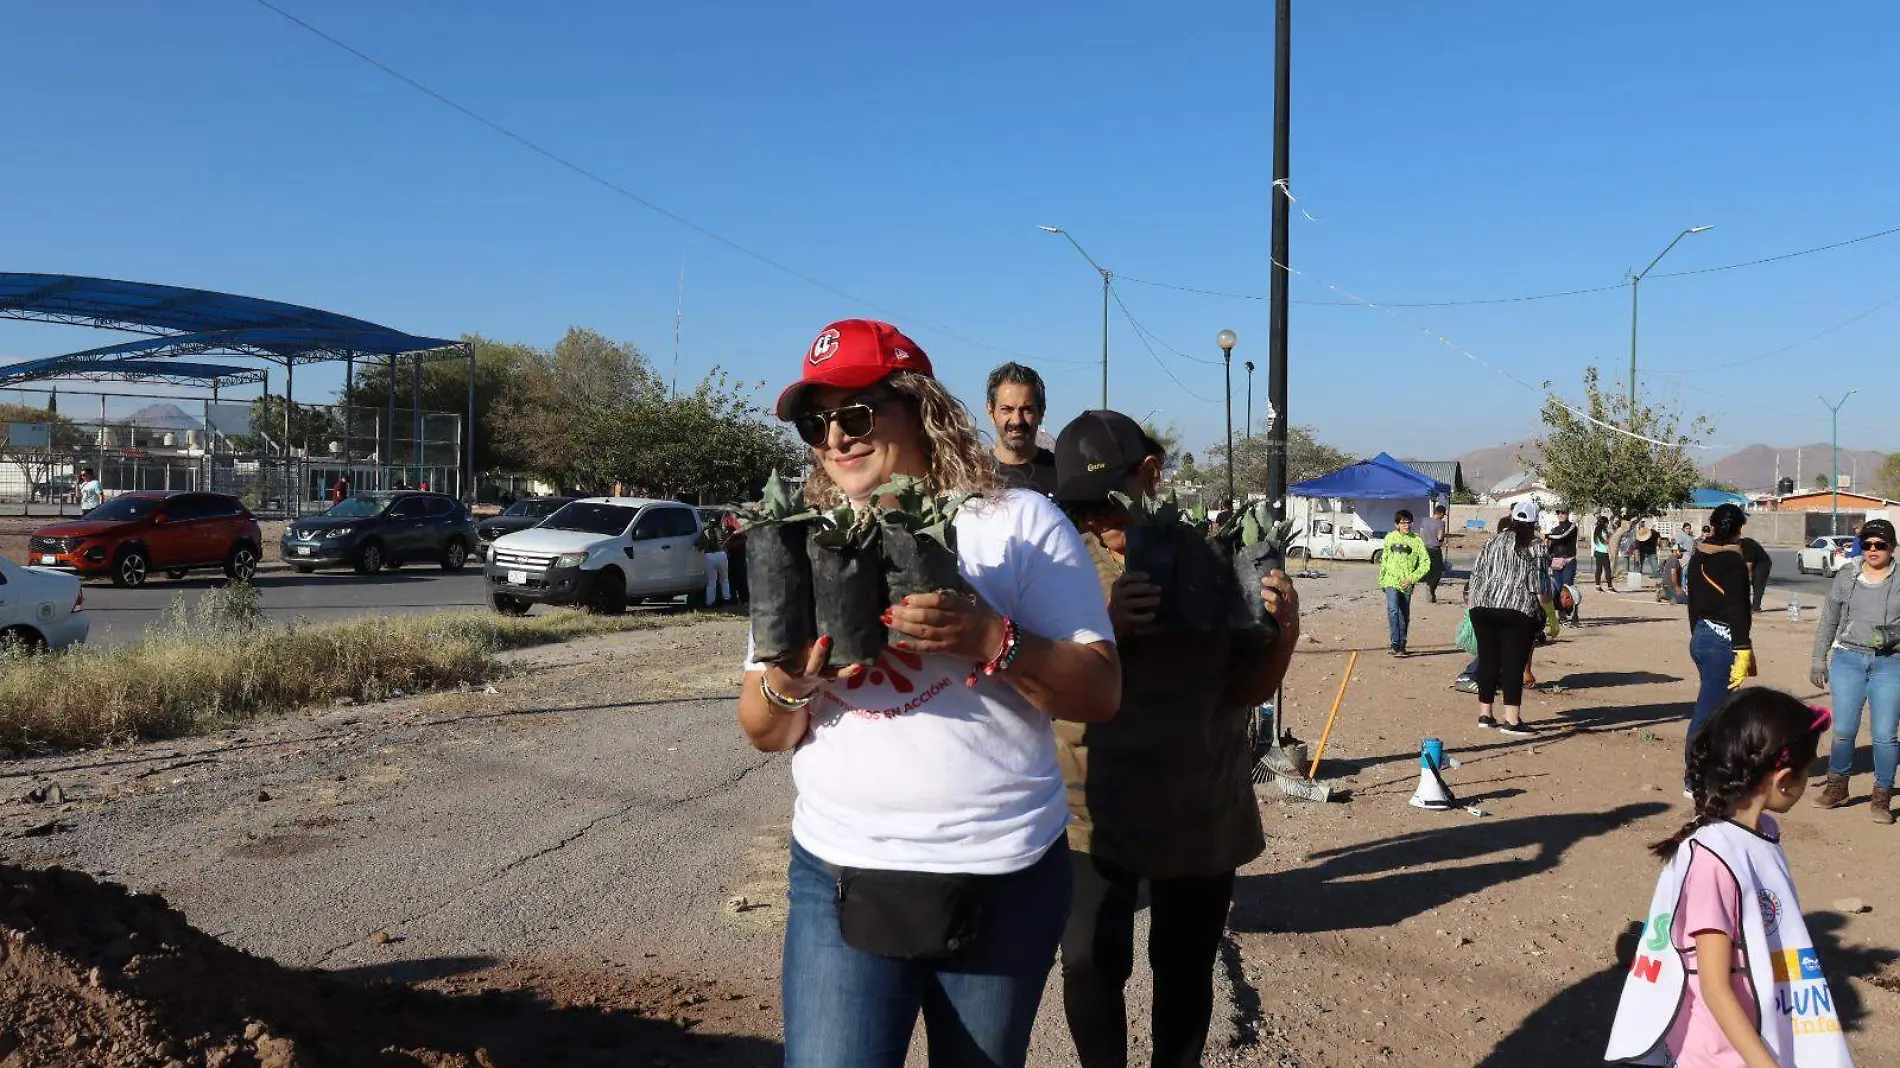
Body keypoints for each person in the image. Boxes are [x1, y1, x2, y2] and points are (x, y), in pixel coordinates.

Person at [737, 319, 1122, 1068]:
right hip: (841, 871)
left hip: (1000, 877)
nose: (835, 439)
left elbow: (1101, 691)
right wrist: (791, 682)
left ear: (919, 408)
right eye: (817, 424)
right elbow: (762, 726)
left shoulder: (1016, 524)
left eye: (856, 415)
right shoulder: (804, 541)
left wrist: (990, 637)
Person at [1049, 409, 1300, 1068]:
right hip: (1090, 806)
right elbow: (1033, 684)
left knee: (1184, 969)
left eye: (1105, 504)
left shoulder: (1214, 557)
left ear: (1150, 476)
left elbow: (1247, 689)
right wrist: (1106, 632)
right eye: (1078, 509)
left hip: (1199, 805)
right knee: (1088, 962)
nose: (1095, 522)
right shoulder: (1057, 565)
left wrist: (1286, 633)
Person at [1606, 689, 1846, 1067]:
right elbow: (1715, 988)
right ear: (1784, 779)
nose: (1808, 779)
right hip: (1719, 1054)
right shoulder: (1715, 859)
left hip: (1754, 1034)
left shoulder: (1762, 832)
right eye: (1808, 770)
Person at [1809, 517, 1900, 824]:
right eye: (1867, 544)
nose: (1873, 550)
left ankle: (1881, 797)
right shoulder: (1847, 576)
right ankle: (1837, 788)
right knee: (1844, 730)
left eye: (1880, 544)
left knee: (1885, 735)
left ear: (1892, 547)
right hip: (1847, 659)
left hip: (1890, 664)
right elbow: (1829, 619)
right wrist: (1818, 659)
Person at [1685, 503, 1755, 791]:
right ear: (1738, 530)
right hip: (1722, 642)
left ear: (1712, 526)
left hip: (1701, 636)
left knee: (1718, 712)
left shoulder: (1698, 554)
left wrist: (1697, 636)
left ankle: (1713, 770)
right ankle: (1695, 779)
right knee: (1708, 714)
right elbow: (1738, 609)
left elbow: (1693, 603)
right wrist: (1742, 649)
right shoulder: (1733, 561)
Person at [1466, 503, 1549, 737]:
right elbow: (1540, 587)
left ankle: (1485, 714)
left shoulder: (1491, 542)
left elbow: (1476, 576)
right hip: (1516, 609)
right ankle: (1511, 721)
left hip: (1482, 608)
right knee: (1513, 664)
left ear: (1511, 519)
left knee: (1489, 660)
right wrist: (1547, 614)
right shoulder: (1535, 546)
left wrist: (1473, 605)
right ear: (1534, 523)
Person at [985, 362, 1058, 496]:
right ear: (991, 412)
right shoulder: (974, 476)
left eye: (1026, 410)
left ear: (1041, 413)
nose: (1017, 420)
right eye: (1007, 410)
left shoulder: (1061, 473)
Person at [1377, 510, 1433, 656]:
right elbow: (1385, 559)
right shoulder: (1390, 538)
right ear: (1397, 524)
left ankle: (1401, 645)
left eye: (1409, 522)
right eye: (1403, 522)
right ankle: (1395, 642)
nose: (1406, 525)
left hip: (1407, 583)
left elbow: (1425, 563)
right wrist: (1382, 580)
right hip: (1390, 581)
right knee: (1393, 610)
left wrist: (1412, 579)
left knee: (1403, 614)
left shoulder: (1417, 541)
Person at [1545, 506, 1579, 598]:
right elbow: (1551, 546)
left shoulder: (1572, 527)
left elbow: (1562, 536)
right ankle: (1560, 611)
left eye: (1563, 512)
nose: (1560, 515)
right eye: (1558, 513)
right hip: (1556, 562)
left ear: (1567, 514)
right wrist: (1548, 562)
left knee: (1568, 589)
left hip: (1568, 561)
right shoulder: (1554, 529)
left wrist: (1545, 536)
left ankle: (1571, 610)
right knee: (1557, 588)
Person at [699, 517, 732, 606]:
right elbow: (727, 542)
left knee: (711, 581)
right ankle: (727, 599)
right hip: (721, 554)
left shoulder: (705, 531)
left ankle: (710, 602)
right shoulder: (721, 531)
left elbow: (700, 545)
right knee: (724, 579)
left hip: (709, 556)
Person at [1422, 504, 1451, 603]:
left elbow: (1421, 533)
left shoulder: (1424, 520)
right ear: (1441, 514)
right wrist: (1443, 539)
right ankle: (1431, 587)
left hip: (1425, 548)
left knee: (1429, 570)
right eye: (1443, 515)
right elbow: (1440, 537)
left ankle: (1430, 590)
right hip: (1435, 549)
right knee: (1438, 572)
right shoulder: (1441, 523)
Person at [1740, 533, 1772, 613]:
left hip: (1763, 563)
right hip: (1753, 562)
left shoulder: (1749, 546)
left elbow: (1749, 566)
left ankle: (1756, 607)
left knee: (1758, 583)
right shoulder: (1736, 548)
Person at [1592, 516, 1613, 592]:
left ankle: (1598, 586)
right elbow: (1606, 542)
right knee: (1607, 570)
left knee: (1599, 569)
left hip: (1597, 551)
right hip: (1603, 552)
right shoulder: (1604, 532)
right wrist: (1610, 536)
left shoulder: (1596, 530)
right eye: (1607, 523)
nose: (1607, 524)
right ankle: (1610, 587)